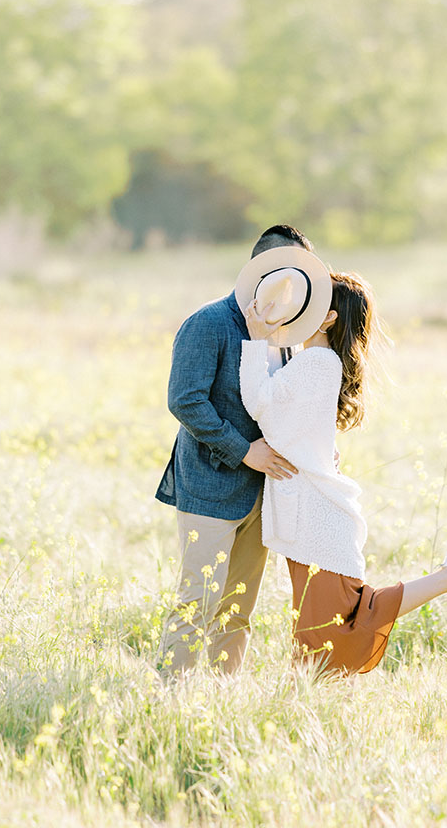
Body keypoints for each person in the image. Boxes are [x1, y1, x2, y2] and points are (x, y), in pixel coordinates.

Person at [238, 268, 447, 675]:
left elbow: (262, 404)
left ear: (328, 318)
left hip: (316, 520)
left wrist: (257, 343)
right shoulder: (313, 360)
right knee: (327, 628)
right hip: (312, 518)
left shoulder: (318, 362)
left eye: (313, 302)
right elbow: (298, 426)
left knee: (340, 628)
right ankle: (307, 709)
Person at [155, 224, 323, 676]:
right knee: (198, 601)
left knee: (237, 609)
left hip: (261, 494)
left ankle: (222, 697)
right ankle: (169, 696)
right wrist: (243, 450)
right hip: (209, 485)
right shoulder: (208, 323)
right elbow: (184, 398)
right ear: (258, 269)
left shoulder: (287, 337)